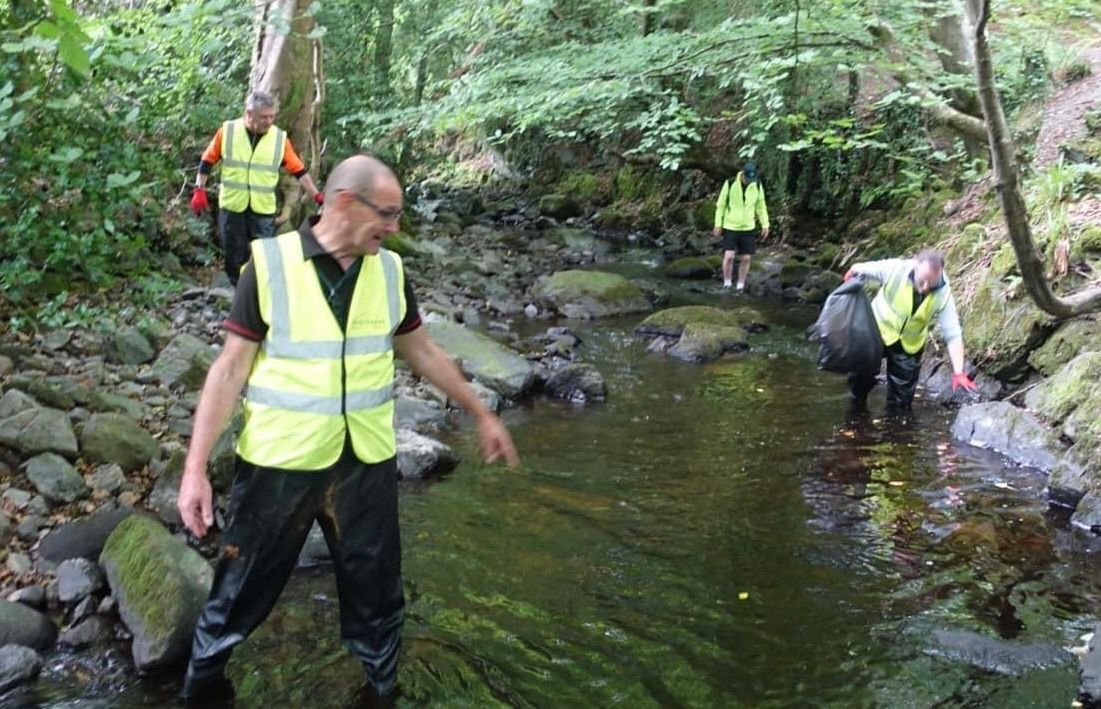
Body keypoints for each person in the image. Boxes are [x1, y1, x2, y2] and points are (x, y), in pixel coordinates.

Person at [177, 155, 519, 706]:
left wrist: (482, 414)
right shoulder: (268, 265)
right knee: (238, 594)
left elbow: (423, 353)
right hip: (280, 464)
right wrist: (195, 471)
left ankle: (380, 693)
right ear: (342, 203)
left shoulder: (388, 271)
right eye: (386, 213)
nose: (395, 226)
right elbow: (228, 370)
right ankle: (200, 690)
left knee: (379, 597)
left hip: (365, 463)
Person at [190, 89, 324, 286]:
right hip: (232, 204)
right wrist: (199, 189)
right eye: (264, 117)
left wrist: (317, 195)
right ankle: (237, 293)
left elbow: (299, 171)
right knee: (233, 252)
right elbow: (207, 160)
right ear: (249, 113)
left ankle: (260, 293)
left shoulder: (279, 138)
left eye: (272, 117)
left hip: (262, 208)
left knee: (265, 254)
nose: (268, 121)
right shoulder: (228, 131)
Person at [844, 249, 977, 412]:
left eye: (931, 283)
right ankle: (856, 417)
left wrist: (958, 372)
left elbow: (953, 333)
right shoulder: (895, 270)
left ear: (940, 275)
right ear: (915, 266)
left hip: (909, 345)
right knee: (859, 383)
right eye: (922, 281)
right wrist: (850, 278)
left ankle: (894, 431)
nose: (925, 288)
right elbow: (859, 268)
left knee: (901, 403)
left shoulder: (944, 294)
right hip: (876, 332)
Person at [712, 162, 770, 291]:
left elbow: (761, 206)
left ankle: (740, 285)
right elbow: (721, 205)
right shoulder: (730, 183)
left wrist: (765, 224)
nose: (750, 181)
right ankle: (727, 282)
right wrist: (718, 224)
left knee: (746, 258)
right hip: (731, 225)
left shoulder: (757, 185)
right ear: (742, 174)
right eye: (748, 178)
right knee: (729, 256)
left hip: (748, 227)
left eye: (752, 179)